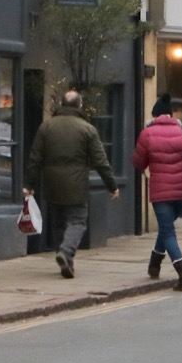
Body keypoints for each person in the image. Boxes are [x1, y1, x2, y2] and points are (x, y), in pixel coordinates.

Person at [24, 89, 118, 279]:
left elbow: (35, 158)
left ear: (62, 105)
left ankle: (67, 264)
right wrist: (112, 185)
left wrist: (29, 184)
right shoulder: (87, 129)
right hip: (76, 185)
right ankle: (66, 252)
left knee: (58, 224)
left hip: (51, 184)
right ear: (79, 105)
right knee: (77, 222)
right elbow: (101, 161)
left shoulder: (46, 127)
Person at [133, 94, 182, 291]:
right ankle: (154, 264)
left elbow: (138, 163)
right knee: (166, 229)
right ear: (171, 115)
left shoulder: (147, 134)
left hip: (161, 192)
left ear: (154, 115)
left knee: (168, 231)